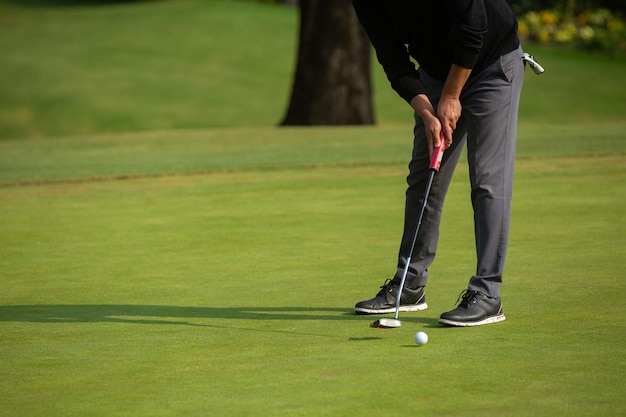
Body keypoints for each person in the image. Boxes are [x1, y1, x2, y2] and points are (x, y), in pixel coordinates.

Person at [352, 0, 524, 326]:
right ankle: (410, 283)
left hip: (492, 65)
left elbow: (475, 26)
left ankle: (488, 294)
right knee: (425, 176)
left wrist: (451, 96)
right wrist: (427, 111)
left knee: (487, 179)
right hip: (435, 75)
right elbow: (394, 62)